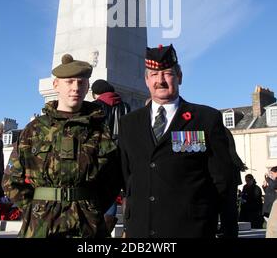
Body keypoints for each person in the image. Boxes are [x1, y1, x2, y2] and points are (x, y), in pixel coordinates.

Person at [118, 44, 234, 238]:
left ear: (179, 76)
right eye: (154, 75)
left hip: (191, 230)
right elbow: (126, 176)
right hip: (141, 231)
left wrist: (230, 230)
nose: (160, 81)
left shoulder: (205, 118)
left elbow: (223, 180)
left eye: (167, 73)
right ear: (146, 80)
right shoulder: (128, 123)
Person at [3, 54, 122, 238]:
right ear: (56, 85)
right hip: (41, 223)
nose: (75, 88)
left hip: (87, 224)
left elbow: (112, 180)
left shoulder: (100, 130)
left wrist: (89, 207)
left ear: (87, 88)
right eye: (70, 82)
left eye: (81, 83)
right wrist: (36, 208)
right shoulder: (35, 129)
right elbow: (11, 180)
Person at [91, 79, 130, 234]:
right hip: (122, 154)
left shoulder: (96, 107)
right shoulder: (126, 106)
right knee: (122, 192)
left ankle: (101, 232)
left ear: (96, 93)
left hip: (102, 154)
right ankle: (126, 229)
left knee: (103, 191)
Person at [218, 127, 248, 236]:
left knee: (225, 205)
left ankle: (226, 230)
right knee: (229, 206)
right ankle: (228, 230)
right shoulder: (224, 130)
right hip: (229, 174)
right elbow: (231, 151)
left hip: (220, 174)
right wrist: (239, 164)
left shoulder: (212, 129)